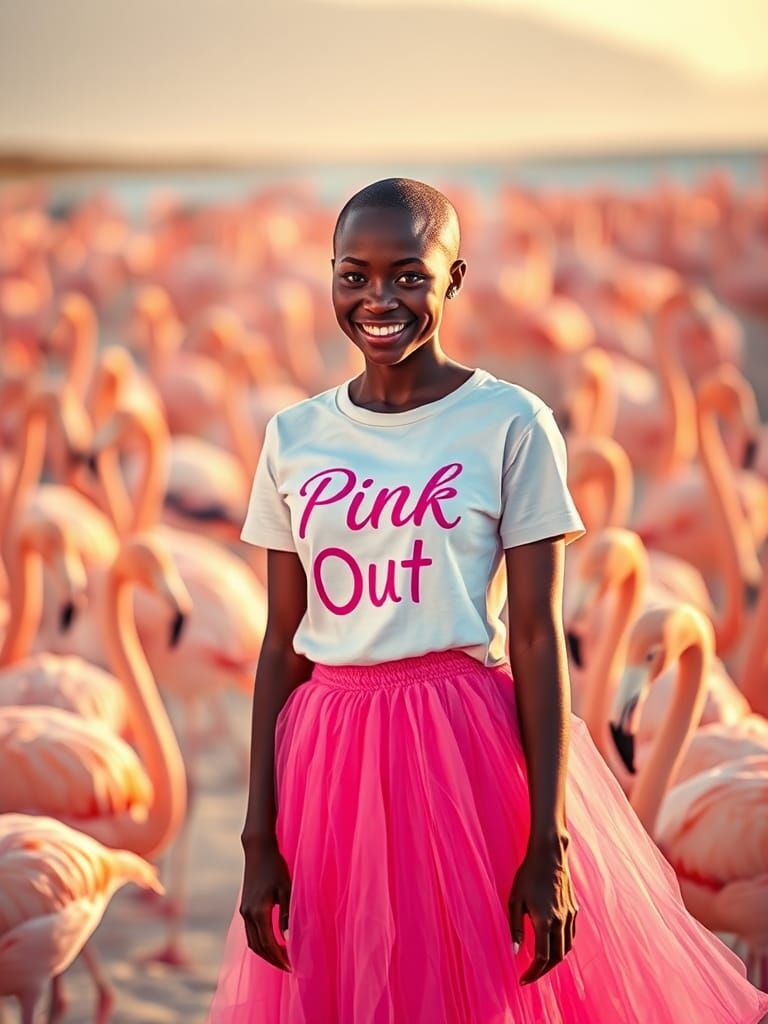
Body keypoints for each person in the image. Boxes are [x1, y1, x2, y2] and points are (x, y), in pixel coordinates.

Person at [207, 178, 768, 1023]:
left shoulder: (511, 423)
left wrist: (549, 839)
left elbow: (539, 638)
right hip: (329, 755)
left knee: (473, 991)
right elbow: (283, 642)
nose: (378, 299)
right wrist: (259, 838)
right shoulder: (294, 436)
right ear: (329, 276)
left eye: (409, 275)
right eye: (354, 275)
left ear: (455, 279)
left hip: (463, 745)